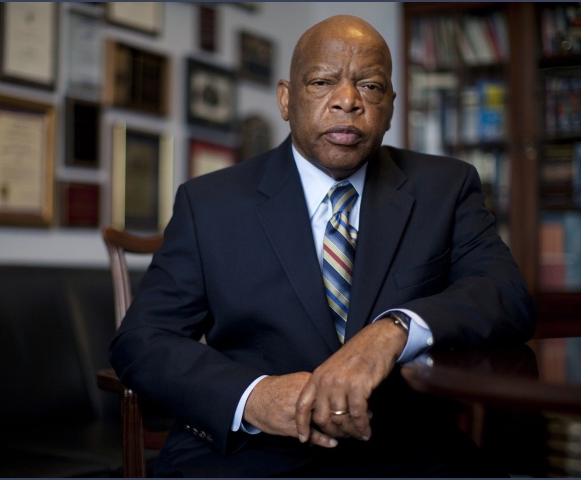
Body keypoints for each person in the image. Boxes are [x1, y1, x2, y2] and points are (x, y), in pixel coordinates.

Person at [110, 14, 536, 477]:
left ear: (391, 106)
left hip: (403, 449)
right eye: (322, 82)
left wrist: (393, 330)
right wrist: (253, 397)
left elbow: (507, 295)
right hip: (252, 452)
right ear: (286, 99)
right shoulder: (210, 203)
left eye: (370, 86)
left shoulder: (445, 187)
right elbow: (142, 339)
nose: (348, 101)